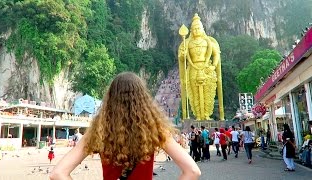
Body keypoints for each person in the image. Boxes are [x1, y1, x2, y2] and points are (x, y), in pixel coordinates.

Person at [50, 72, 201, 180]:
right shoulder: (154, 131)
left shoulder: (99, 131)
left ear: (111, 98)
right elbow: (193, 171)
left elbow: (58, 174)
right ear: (143, 99)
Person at [178, 13, 224, 120]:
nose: (196, 30)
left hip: (206, 67)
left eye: (198, 28)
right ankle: (198, 115)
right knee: (195, 94)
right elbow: (181, 59)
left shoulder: (208, 41)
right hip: (193, 69)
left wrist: (213, 65)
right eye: (194, 29)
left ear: (202, 28)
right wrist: (183, 54)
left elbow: (216, 53)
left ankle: (207, 114)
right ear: (191, 30)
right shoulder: (187, 43)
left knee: (208, 91)